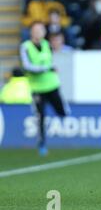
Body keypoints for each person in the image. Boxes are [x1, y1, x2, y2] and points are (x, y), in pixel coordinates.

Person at [19, 22, 70, 156]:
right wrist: (47, 68)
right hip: (37, 88)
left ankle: (66, 138)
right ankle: (42, 145)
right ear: (31, 32)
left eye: (41, 30)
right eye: (36, 30)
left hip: (52, 85)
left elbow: (50, 60)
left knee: (63, 112)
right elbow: (27, 66)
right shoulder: (26, 47)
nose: (39, 32)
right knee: (40, 117)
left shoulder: (47, 44)